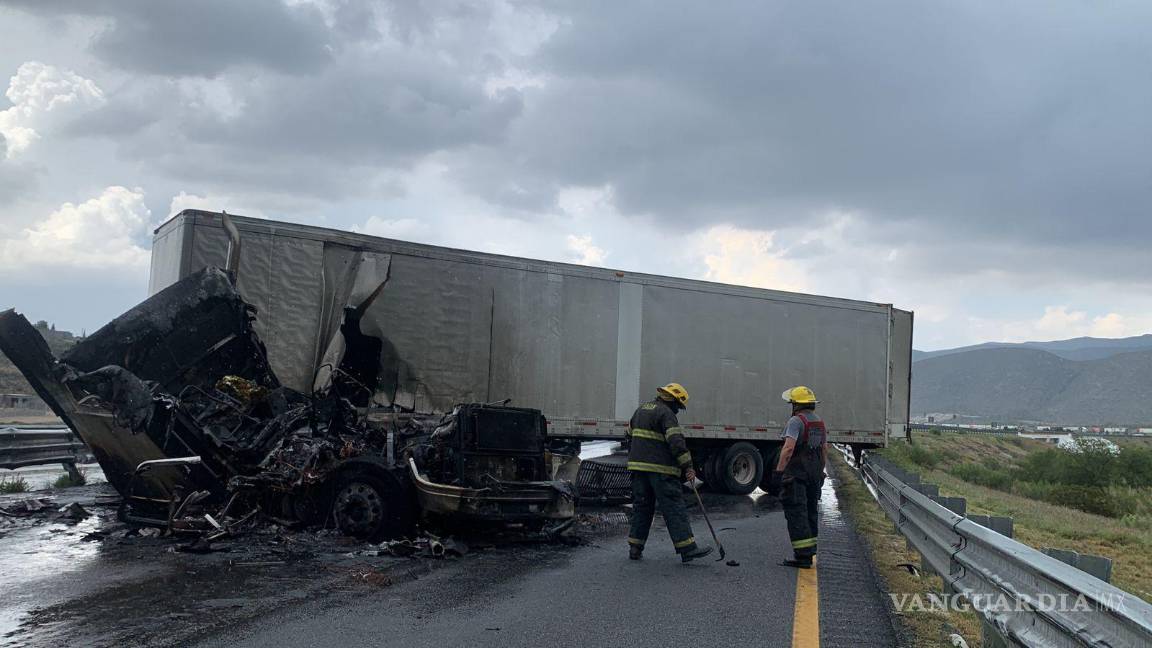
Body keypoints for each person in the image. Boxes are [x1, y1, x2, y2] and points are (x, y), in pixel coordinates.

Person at [625, 382, 714, 563]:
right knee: (674, 507)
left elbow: (628, 435)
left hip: (638, 468)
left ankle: (635, 547)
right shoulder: (666, 414)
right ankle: (687, 549)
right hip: (661, 471)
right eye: (678, 407)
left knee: (642, 507)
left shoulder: (640, 410)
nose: (678, 411)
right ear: (672, 401)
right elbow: (676, 443)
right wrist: (688, 467)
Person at [768, 386, 827, 569]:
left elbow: (788, 449)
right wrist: (821, 471)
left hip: (797, 475)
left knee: (797, 513)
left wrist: (778, 472)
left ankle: (802, 556)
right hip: (814, 475)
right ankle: (810, 550)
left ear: (796, 404)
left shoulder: (796, 421)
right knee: (810, 511)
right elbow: (824, 449)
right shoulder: (819, 422)